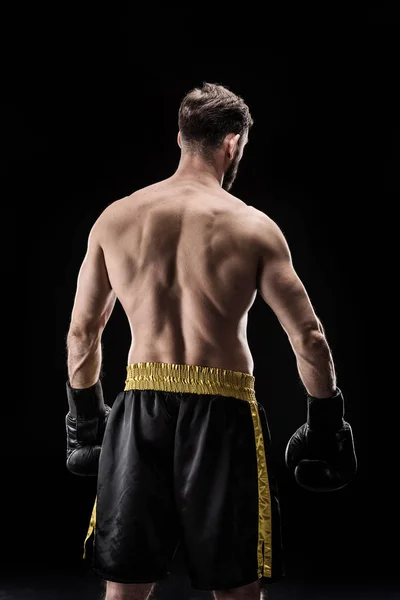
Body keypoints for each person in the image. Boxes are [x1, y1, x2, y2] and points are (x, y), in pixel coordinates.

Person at [65, 83, 356, 600]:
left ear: (180, 138)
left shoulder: (116, 218)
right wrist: (326, 424)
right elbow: (309, 336)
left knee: (126, 587)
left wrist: (87, 419)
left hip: (140, 406)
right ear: (232, 145)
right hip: (223, 412)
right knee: (237, 588)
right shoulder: (253, 228)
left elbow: (83, 333)